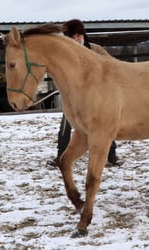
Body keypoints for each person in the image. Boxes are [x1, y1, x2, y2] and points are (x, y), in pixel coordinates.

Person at [47, 19, 119, 167]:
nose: (76, 39)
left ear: (83, 35)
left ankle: (112, 156)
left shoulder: (95, 50)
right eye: (72, 37)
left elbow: (113, 66)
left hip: (99, 99)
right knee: (66, 125)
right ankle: (61, 156)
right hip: (75, 100)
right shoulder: (63, 56)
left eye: (78, 35)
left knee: (106, 125)